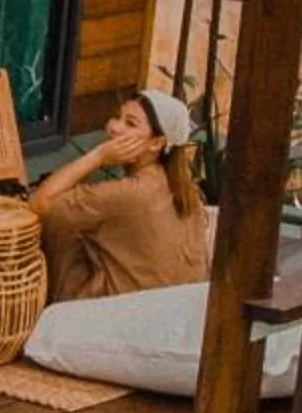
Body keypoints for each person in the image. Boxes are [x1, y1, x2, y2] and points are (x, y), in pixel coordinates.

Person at [28, 88, 210, 304]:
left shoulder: (132, 194)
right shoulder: (184, 190)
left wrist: (97, 156)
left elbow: (39, 205)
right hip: (175, 313)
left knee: (60, 224)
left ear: (156, 143)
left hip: (123, 314)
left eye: (130, 124)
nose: (113, 127)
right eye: (117, 117)